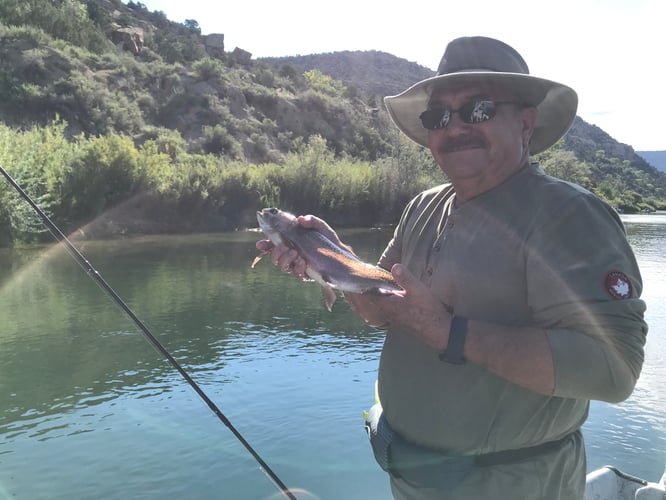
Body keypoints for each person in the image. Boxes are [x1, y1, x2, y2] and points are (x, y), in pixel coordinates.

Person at [256, 36, 647, 499]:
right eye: (438, 116)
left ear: (526, 121)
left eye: (478, 109)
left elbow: (615, 370)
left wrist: (448, 331)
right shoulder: (423, 205)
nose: (455, 126)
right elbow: (380, 309)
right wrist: (334, 258)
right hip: (415, 478)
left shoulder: (567, 215)